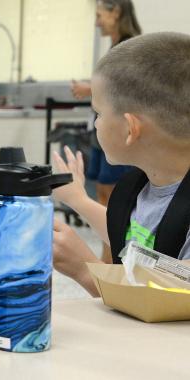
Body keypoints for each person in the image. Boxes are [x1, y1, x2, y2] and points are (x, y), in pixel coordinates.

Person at [52, 32, 190, 297]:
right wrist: (79, 200)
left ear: (130, 128)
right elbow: (131, 237)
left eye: (99, 113)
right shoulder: (139, 185)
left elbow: (170, 295)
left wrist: (87, 270)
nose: (96, 124)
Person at [69, 0, 142, 261]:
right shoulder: (115, 47)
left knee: (114, 198)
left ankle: (112, 262)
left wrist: (90, 89)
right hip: (104, 130)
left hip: (119, 132)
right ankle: (107, 259)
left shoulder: (131, 46)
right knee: (102, 192)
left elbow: (128, 88)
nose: (97, 22)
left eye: (100, 15)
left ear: (116, 12)